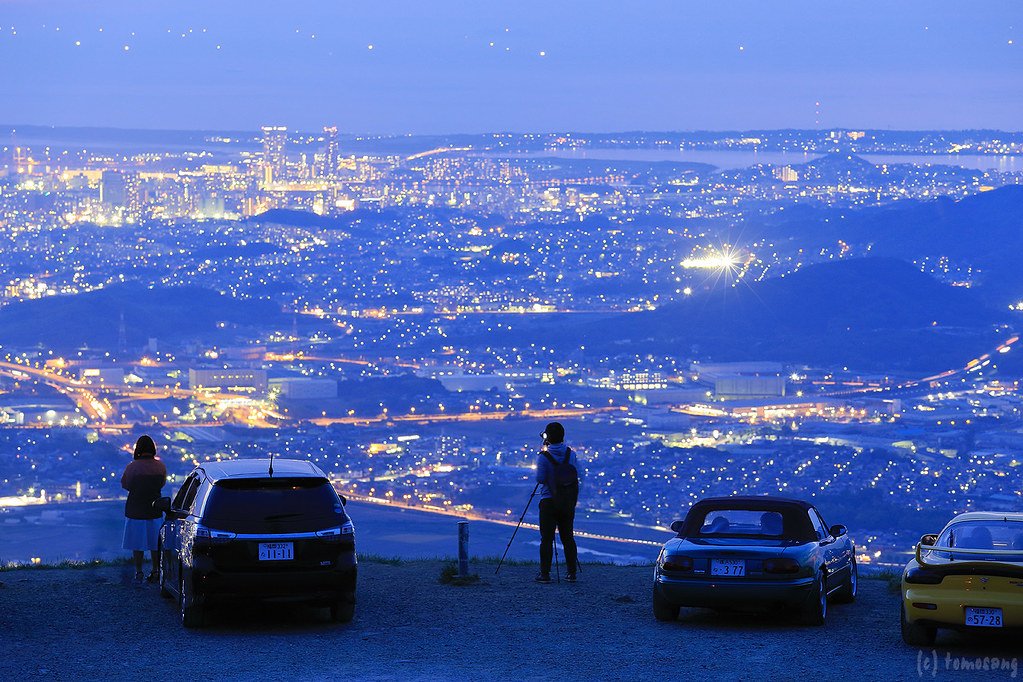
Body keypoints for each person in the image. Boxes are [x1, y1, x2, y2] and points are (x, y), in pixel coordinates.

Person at [535, 421, 580, 583]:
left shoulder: (544, 457)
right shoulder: (571, 454)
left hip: (548, 501)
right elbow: (577, 473)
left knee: (546, 538)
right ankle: (571, 572)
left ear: (547, 437)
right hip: (567, 502)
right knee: (568, 537)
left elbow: (540, 479)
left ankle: (545, 574)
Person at [120, 435, 168, 585]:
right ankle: (155, 570)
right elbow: (162, 484)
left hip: (136, 509)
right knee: (155, 543)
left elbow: (125, 484)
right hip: (155, 509)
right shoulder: (160, 467)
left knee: (137, 543)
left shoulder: (132, 467)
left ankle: (139, 571)